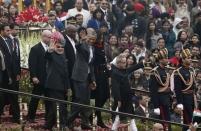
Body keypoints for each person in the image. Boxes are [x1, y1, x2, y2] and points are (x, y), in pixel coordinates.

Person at [67, 28, 97, 130]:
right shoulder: (82, 44)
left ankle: (85, 122)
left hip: (87, 77)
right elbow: (77, 46)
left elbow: (91, 65)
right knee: (80, 100)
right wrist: (82, 40)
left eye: (93, 38)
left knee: (86, 101)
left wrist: (93, 79)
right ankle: (68, 121)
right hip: (79, 76)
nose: (91, 40)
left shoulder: (93, 48)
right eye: (90, 37)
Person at [111, 54, 144, 130]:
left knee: (131, 115)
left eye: (125, 62)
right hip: (121, 98)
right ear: (118, 63)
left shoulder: (125, 70)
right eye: (122, 62)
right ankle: (113, 129)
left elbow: (134, 67)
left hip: (128, 96)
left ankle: (134, 129)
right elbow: (115, 88)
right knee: (118, 116)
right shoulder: (114, 72)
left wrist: (144, 62)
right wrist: (118, 99)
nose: (124, 64)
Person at [44, 31, 69, 130]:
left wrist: (67, 87)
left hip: (62, 86)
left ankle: (48, 125)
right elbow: (46, 56)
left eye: (62, 47)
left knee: (55, 106)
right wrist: (50, 50)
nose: (60, 48)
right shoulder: (51, 54)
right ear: (54, 47)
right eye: (58, 47)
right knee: (60, 106)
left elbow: (65, 73)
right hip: (53, 85)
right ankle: (63, 125)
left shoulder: (63, 55)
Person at [27, 30, 52, 123]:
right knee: (35, 99)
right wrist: (33, 76)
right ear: (43, 37)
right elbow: (32, 64)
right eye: (49, 37)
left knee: (49, 100)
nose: (50, 39)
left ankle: (48, 118)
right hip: (39, 78)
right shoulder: (35, 48)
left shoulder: (51, 48)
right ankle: (30, 117)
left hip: (49, 79)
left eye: (51, 37)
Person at [0, 24, 20, 123]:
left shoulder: (10, 40)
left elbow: (14, 59)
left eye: (9, 30)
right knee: (3, 96)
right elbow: (4, 60)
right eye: (7, 31)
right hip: (3, 75)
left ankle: (17, 119)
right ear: (2, 31)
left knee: (14, 96)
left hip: (12, 74)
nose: (9, 32)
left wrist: (16, 73)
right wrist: (8, 75)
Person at [174, 49, 196, 131]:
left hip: (191, 98)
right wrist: (180, 102)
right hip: (184, 98)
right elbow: (177, 89)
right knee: (187, 122)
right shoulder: (178, 71)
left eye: (190, 57)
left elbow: (193, 86)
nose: (190, 59)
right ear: (183, 59)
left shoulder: (191, 70)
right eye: (188, 58)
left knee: (191, 120)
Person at [149, 48, 171, 130]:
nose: (167, 60)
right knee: (163, 125)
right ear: (161, 60)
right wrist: (156, 106)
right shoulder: (155, 72)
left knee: (168, 125)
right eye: (165, 58)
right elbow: (153, 91)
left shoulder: (165, 71)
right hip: (160, 102)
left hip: (166, 101)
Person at [63, 24, 77, 103]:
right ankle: (64, 114)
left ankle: (73, 113)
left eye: (75, 32)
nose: (75, 34)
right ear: (67, 32)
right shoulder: (64, 40)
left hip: (75, 70)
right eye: (73, 32)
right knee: (66, 93)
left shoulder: (74, 40)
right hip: (68, 69)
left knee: (75, 93)